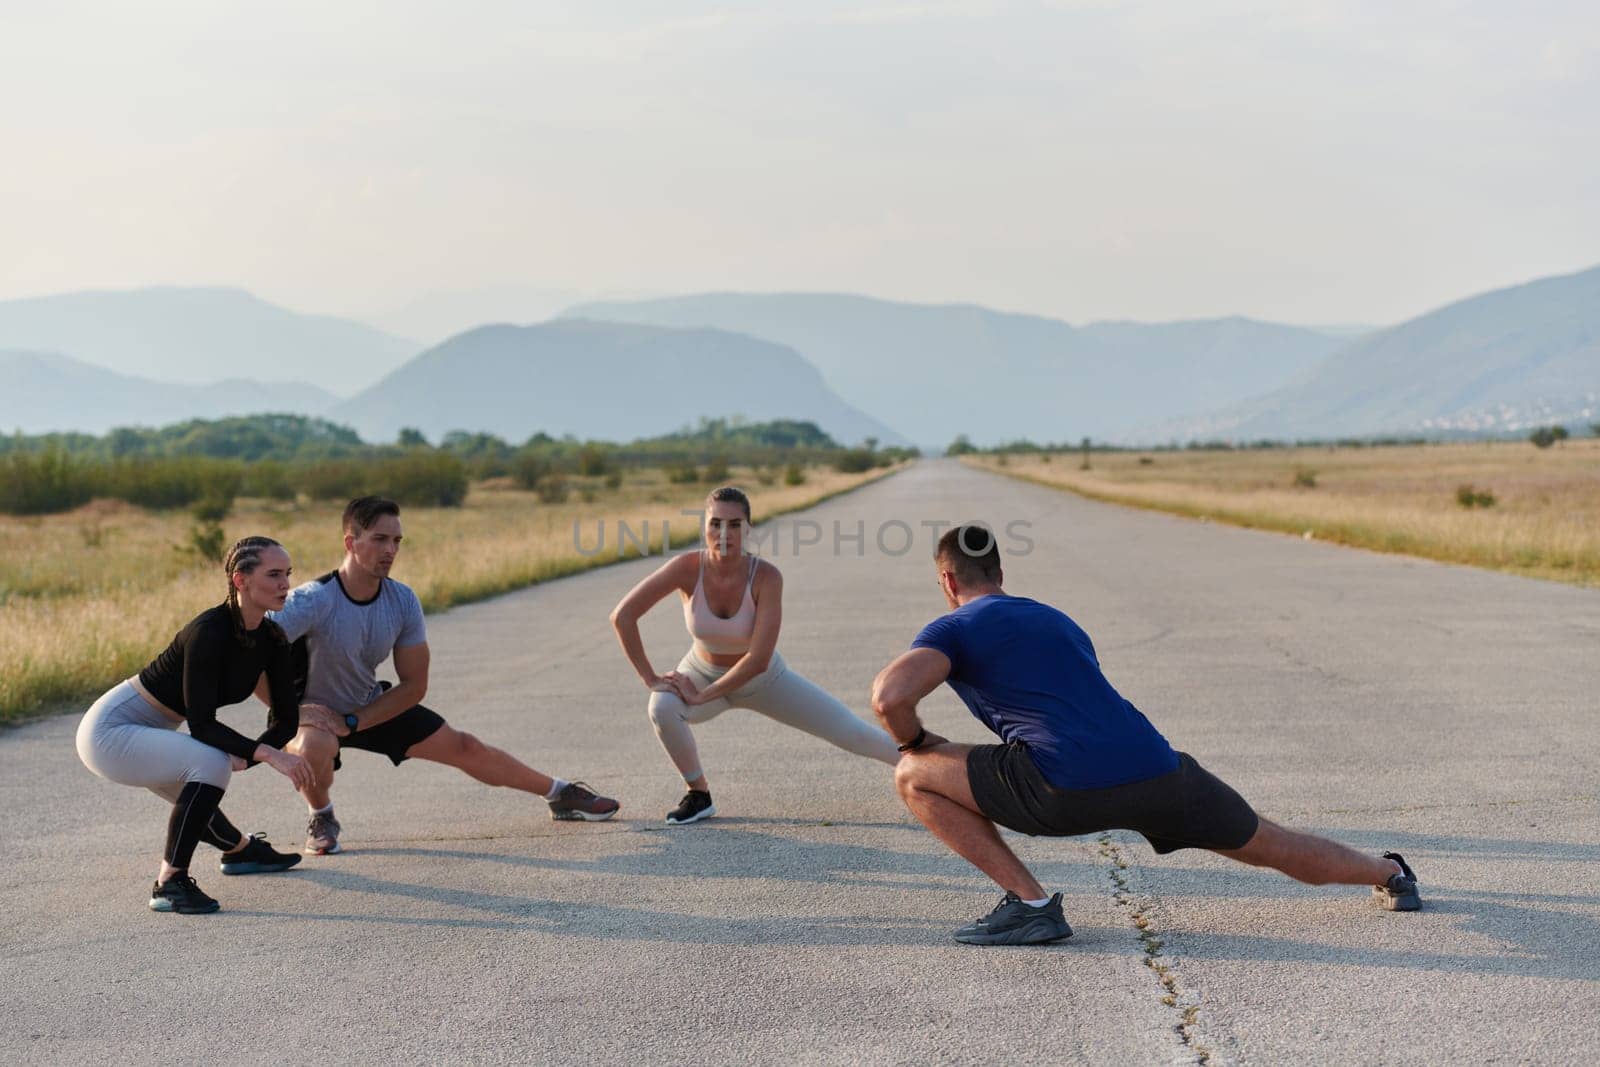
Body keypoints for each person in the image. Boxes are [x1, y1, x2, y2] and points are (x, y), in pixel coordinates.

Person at [871, 524, 1423, 946]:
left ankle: (1032, 907)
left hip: (1061, 785)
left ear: (947, 580)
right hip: (1158, 770)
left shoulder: (953, 626)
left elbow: (890, 696)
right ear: (999, 572)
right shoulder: (1057, 619)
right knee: (1271, 844)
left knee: (915, 775)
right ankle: (1391, 873)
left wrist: (916, 741)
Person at [269, 496, 619, 856]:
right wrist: (293, 713)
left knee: (466, 746)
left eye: (397, 541)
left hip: (366, 704)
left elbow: (414, 685)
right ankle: (322, 815)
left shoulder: (402, 600)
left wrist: (355, 720)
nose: (390, 550)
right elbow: (247, 658)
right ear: (350, 542)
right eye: (379, 539)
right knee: (314, 747)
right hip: (310, 714)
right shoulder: (312, 600)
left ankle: (560, 794)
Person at [611, 486, 900, 824]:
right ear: (703, 527)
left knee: (855, 734)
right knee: (661, 706)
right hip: (701, 670)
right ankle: (699, 794)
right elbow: (623, 616)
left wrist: (704, 695)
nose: (723, 534)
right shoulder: (686, 568)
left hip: (763, 680)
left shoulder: (766, 577)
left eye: (734, 525)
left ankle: (933, 771)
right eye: (715, 523)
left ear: (748, 528)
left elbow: (759, 658)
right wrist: (651, 678)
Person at [75, 536, 315, 915]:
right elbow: (202, 725)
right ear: (241, 580)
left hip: (153, 732)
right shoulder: (209, 631)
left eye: (288, 574)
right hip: (111, 732)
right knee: (211, 763)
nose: (285, 584)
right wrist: (264, 754)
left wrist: (250, 757)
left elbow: (286, 720)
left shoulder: (272, 637)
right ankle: (169, 883)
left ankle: (239, 851)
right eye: (273, 574)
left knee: (202, 790)